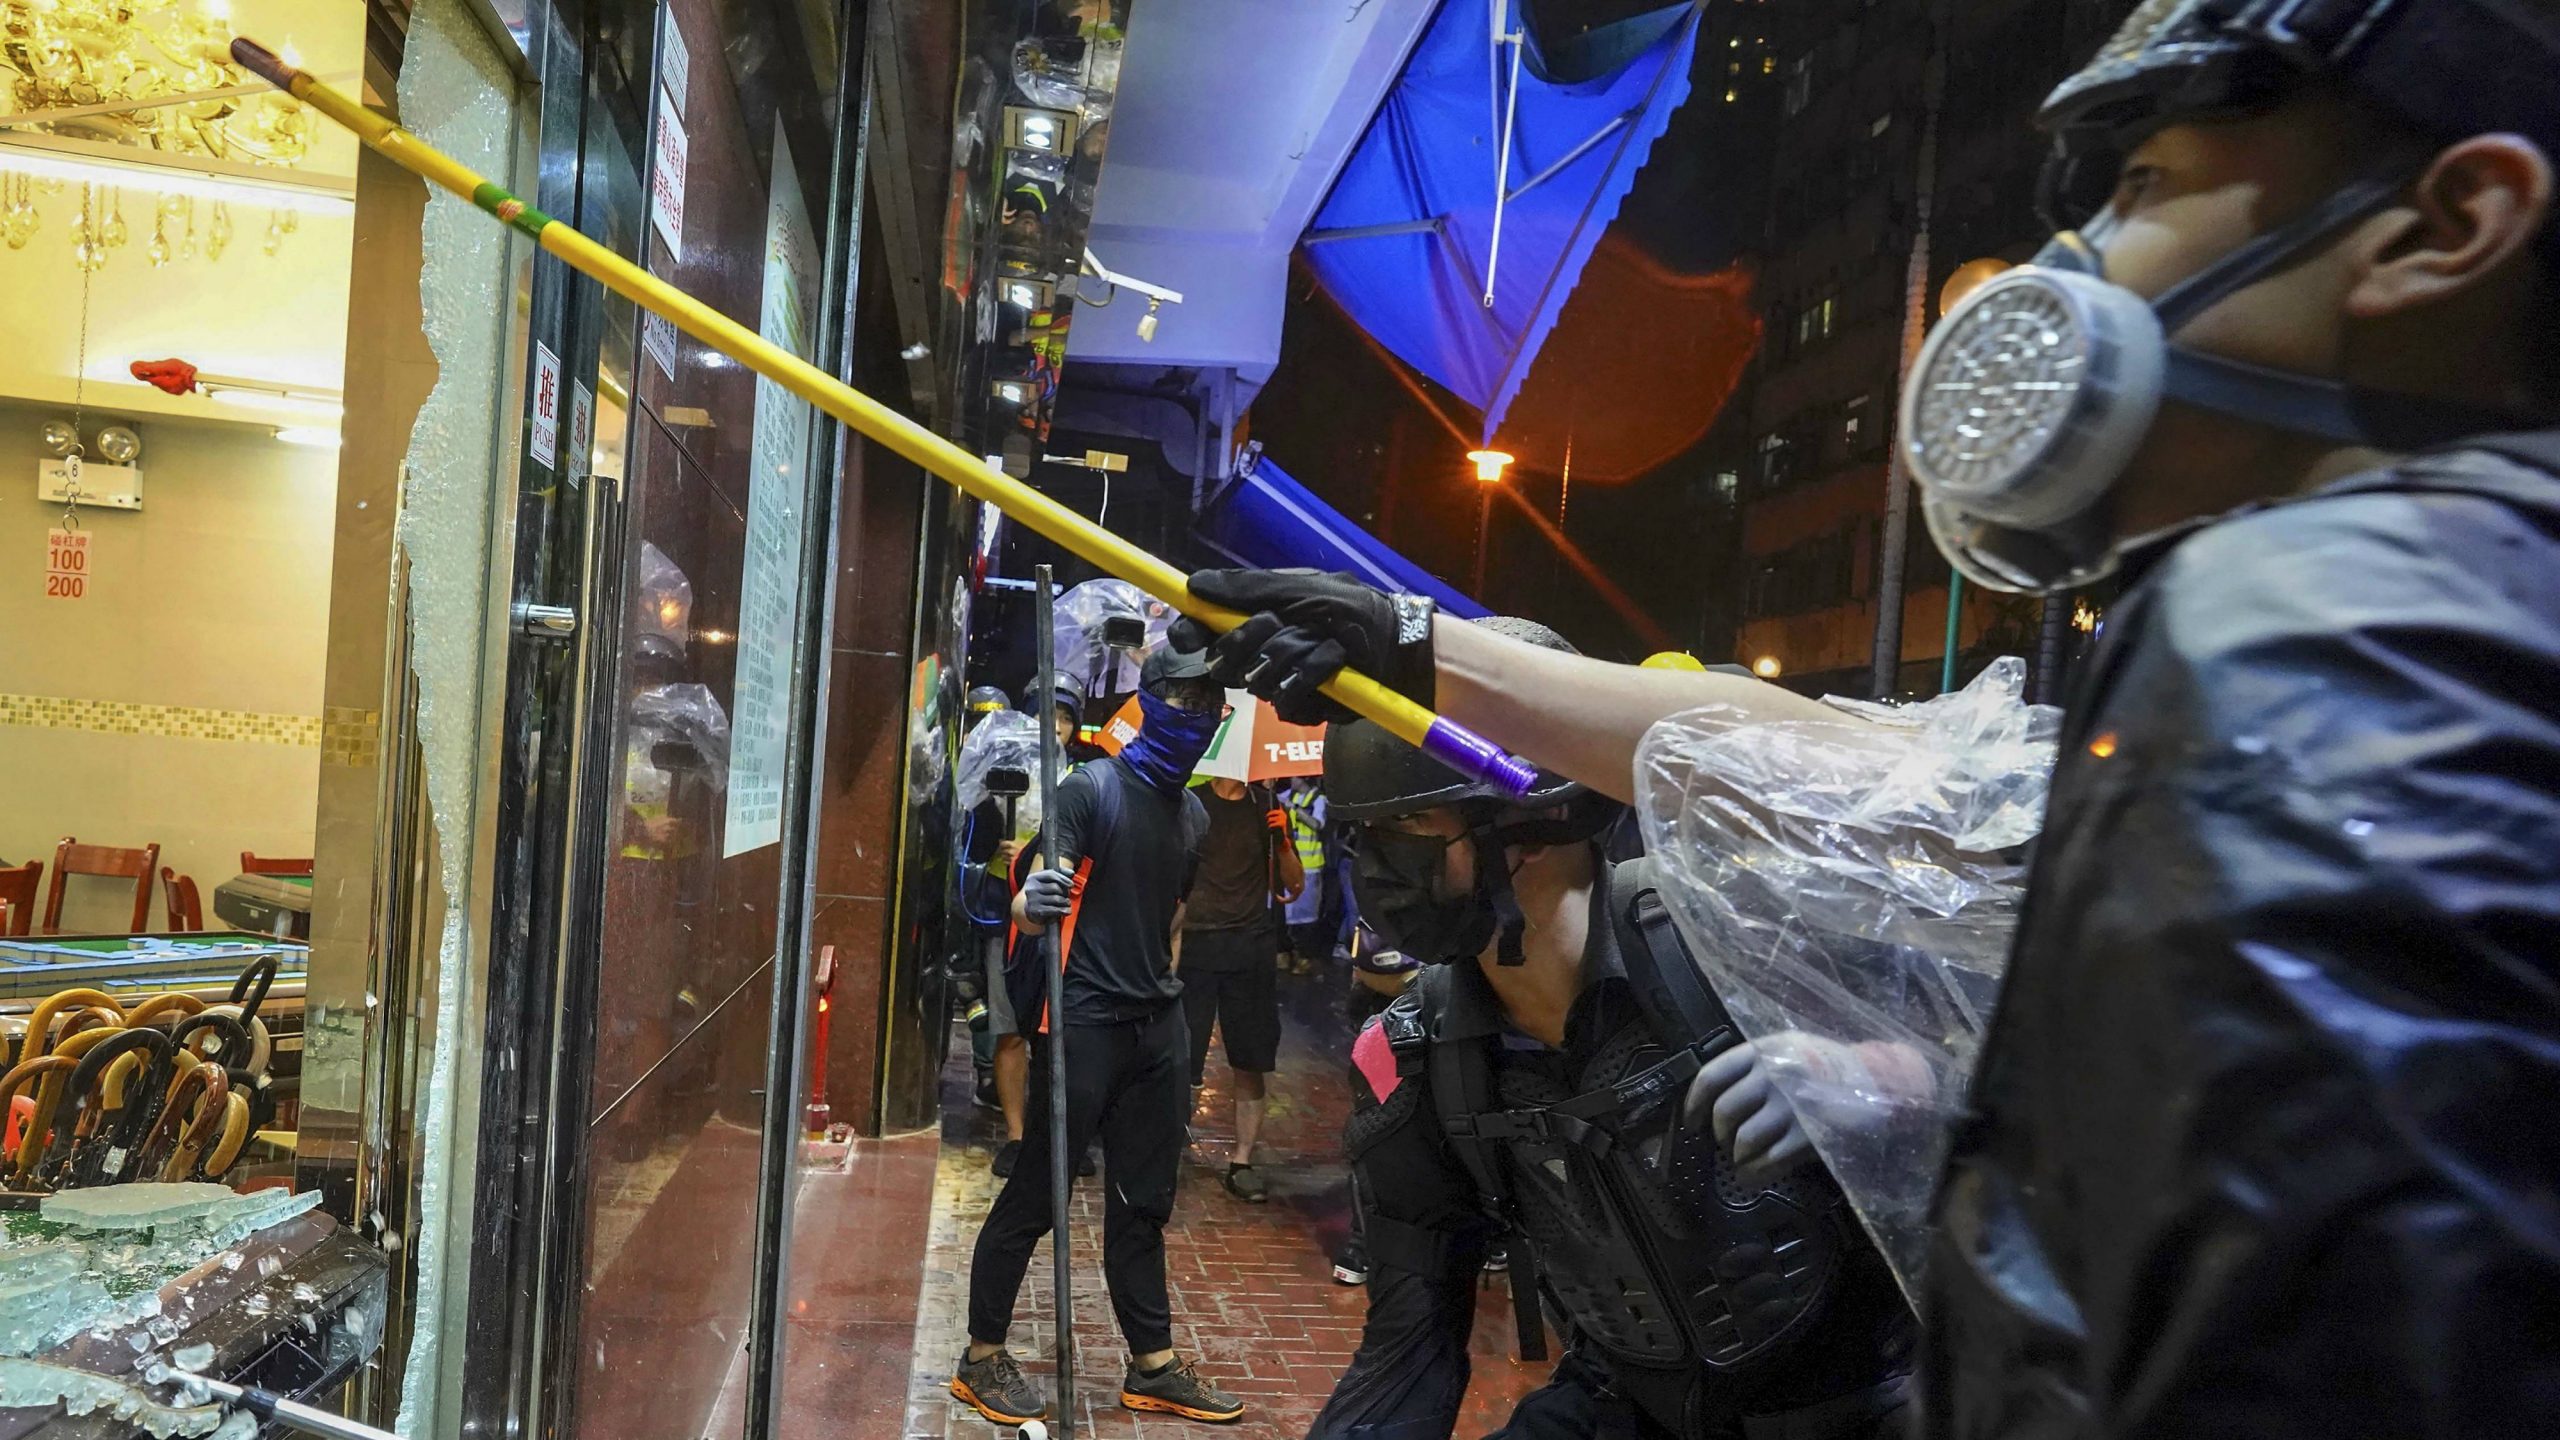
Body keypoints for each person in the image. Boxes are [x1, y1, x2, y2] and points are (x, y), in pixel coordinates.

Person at [1177, 0, 2560, 1429]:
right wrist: (1423, 647)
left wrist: (1898, 1083)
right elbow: (1915, 791)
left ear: (2450, 225)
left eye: (2146, 187)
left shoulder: (2346, 622)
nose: (2069, 268)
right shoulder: (2446, 601)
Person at [1307, 617, 1915, 1440]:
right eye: (1364, 835)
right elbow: (1406, 1355)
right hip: (1626, 1406)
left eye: (1411, 826)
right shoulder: (1419, 1057)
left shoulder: (1741, 942)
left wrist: (1880, 1080)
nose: (1378, 867)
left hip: (1872, 1405)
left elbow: (2009, 1090)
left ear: (1528, 823)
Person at [952, 644, 1246, 1429]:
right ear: (1147, 701)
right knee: (1036, 1196)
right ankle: (981, 1357)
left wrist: (1162, 988)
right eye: (1181, 698)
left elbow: (1170, 916)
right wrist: (1033, 901)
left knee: (1143, 1203)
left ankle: (1152, 1367)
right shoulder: (1091, 789)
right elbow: (1028, 899)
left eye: (1208, 703)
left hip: (1158, 1029)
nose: (1195, 714)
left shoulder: (1193, 815)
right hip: (1084, 1026)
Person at [1177, 773, 1304, 1202]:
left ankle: (1243, 1160)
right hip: (1194, 946)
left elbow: (1294, 885)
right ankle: (1166, 1144)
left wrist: (1281, 841)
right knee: (1180, 1057)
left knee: (1251, 1060)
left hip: (1250, 948)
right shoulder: (1190, 803)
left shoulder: (1267, 807)